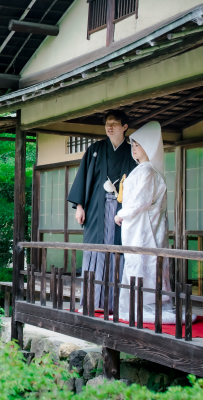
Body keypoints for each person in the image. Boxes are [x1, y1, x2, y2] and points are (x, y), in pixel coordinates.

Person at [67, 110, 138, 311]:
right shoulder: (95, 149)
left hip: (122, 209)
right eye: (108, 123)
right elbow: (83, 177)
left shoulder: (132, 150)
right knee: (94, 250)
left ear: (124, 127)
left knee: (119, 250)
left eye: (115, 123)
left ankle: (117, 304)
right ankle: (92, 301)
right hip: (96, 207)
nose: (110, 127)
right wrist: (80, 206)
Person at [115, 121, 176, 324]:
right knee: (141, 265)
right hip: (142, 225)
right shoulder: (144, 169)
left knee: (144, 265)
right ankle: (140, 306)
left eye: (137, 145)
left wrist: (121, 214)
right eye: (132, 145)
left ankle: (145, 307)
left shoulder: (148, 170)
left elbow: (140, 200)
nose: (133, 149)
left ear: (148, 147)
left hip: (145, 227)